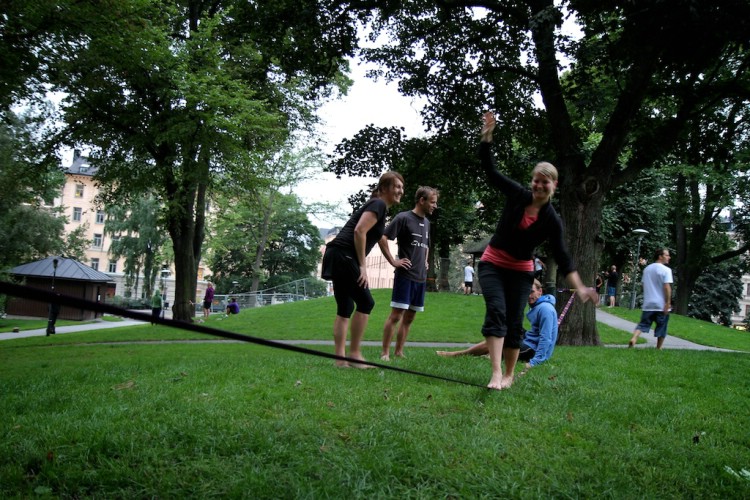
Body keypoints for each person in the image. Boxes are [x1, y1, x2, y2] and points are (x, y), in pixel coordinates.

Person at [477, 111, 597, 390]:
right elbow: (491, 171)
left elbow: (563, 255)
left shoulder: (551, 219)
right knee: (496, 312)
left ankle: (508, 375)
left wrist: (579, 287)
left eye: (546, 181)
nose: (540, 185)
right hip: (493, 263)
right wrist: (487, 136)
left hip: (520, 271)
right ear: (532, 181)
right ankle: (496, 373)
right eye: (536, 180)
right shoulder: (518, 194)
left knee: (515, 321)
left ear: (554, 185)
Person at [321, 171, 405, 368]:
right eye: (396, 186)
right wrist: (362, 266)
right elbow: (360, 231)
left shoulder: (378, 207)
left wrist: (393, 261)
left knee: (345, 308)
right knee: (366, 302)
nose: (400, 191)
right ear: (384, 188)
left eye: (402, 187)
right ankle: (355, 355)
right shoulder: (378, 204)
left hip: (337, 254)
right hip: (345, 255)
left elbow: (380, 238)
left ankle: (340, 360)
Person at [437, 279, 558, 372]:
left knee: (497, 340)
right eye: (525, 292)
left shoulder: (545, 309)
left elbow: (546, 338)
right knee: (502, 331)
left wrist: (535, 362)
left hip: (532, 349)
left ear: (540, 291)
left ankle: (456, 354)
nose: (528, 295)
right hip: (529, 339)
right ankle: (489, 354)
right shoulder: (538, 306)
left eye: (531, 291)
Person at [379, 186, 439, 361]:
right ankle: (385, 353)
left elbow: (425, 245)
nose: (435, 206)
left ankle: (399, 351)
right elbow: (383, 238)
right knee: (396, 315)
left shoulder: (427, 223)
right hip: (405, 276)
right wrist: (393, 261)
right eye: (433, 202)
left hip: (420, 278)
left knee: (410, 317)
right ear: (422, 200)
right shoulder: (403, 218)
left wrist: (426, 260)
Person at [629, 248, 673, 349]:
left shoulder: (647, 269)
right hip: (661, 305)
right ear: (660, 256)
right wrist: (668, 302)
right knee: (662, 326)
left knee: (642, 324)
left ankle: (634, 338)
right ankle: (659, 348)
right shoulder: (666, 270)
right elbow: (667, 287)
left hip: (648, 304)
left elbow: (644, 285)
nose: (669, 257)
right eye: (667, 255)